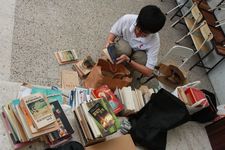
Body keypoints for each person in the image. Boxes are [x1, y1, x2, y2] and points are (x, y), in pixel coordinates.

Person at [105, 5, 166, 77]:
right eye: (138, 29)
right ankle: (114, 63)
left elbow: (149, 72)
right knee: (124, 49)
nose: (138, 34)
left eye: (144, 34)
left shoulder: (155, 41)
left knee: (142, 59)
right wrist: (108, 43)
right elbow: (113, 33)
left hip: (138, 53)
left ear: (152, 33)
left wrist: (129, 60)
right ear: (137, 20)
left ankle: (126, 72)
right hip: (125, 43)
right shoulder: (127, 19)